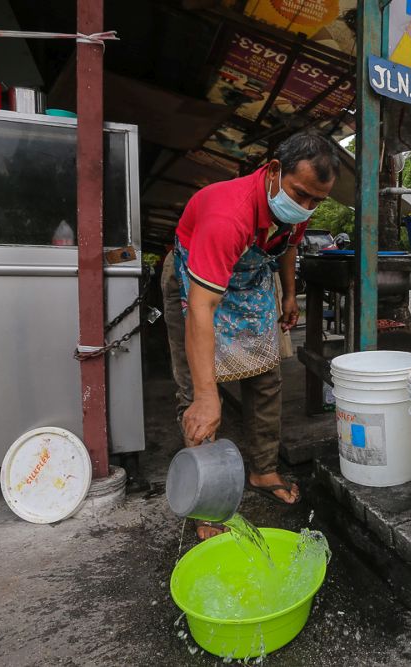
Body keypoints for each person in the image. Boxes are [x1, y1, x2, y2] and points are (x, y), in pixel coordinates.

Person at [167, 131, 339, 539]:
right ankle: (207, 502)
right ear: (274, 171)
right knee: (197, 392)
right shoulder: (229, 216)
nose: (306, 208)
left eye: (317, 201)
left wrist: (290, 295)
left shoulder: (298, 205)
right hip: (198, 284)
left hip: (251, 282)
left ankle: (263, 470)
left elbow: (290, 244)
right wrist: (209, 397)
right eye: (300, 195)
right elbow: (202, 308)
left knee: (266, 379)